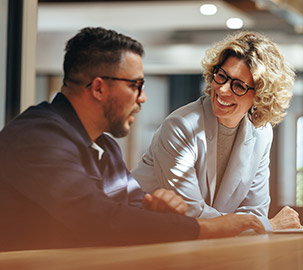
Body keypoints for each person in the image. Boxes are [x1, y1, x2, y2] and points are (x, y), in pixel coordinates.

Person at [0, 27, 264, 252]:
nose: (142, 98)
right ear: (99, 87)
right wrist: (209, 227)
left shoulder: (106, 148)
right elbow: (100, 222)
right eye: (135, 85)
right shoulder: (35, 138)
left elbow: (131, 211)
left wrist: (158, 212)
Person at [132, 31, 301, 231]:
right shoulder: (180, 126)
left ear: (261, 96)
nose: (222, 89)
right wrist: (268, 225)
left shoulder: (261, 133)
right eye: (221, 76)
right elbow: (191, 213)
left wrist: (256, 223)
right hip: (142, 235)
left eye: (238, 85)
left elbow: (255, 210)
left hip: (204, 242)